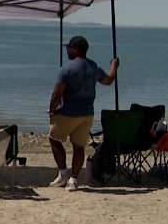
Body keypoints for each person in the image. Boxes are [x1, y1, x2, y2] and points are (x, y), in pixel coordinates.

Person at [48, 35, 119, 190]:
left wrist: (52, 110)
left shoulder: (67, 69)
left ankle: (63, 172)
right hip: (87, 114)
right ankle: (73, 179)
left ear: (75, 49)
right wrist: (114, 66)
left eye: (68, 48)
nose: (67, 50)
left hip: (68, 113)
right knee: (79, 146)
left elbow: (57, 93)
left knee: (53, 138)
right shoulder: (93, 67)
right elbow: (108, 81)